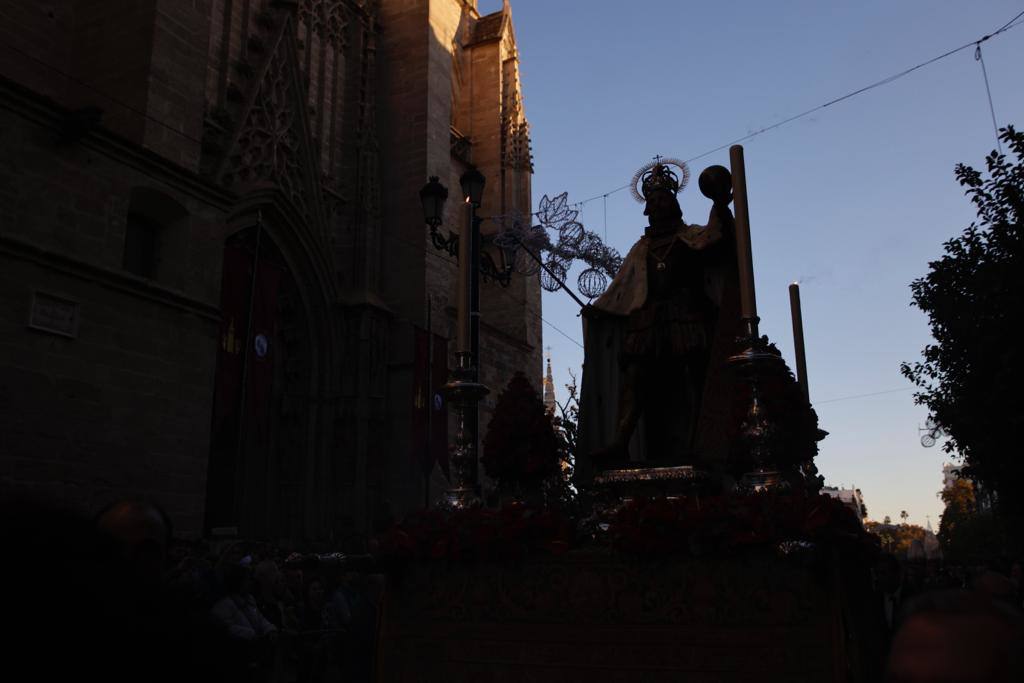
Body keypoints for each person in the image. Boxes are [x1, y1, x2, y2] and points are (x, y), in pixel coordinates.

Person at [577, 159, 740, 480]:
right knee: (635, 378)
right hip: (648, 318)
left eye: (663, 198)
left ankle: (700, 441)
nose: (657, 204)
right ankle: (620, 442)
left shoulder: (691, 237)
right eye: (652, 201)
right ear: (647, 210)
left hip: (686, 313)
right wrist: (601, 310)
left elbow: (718, 241)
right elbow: (622, 289)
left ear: (675, 203)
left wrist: (720, 203)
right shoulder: (642, 249)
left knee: (691, 375)